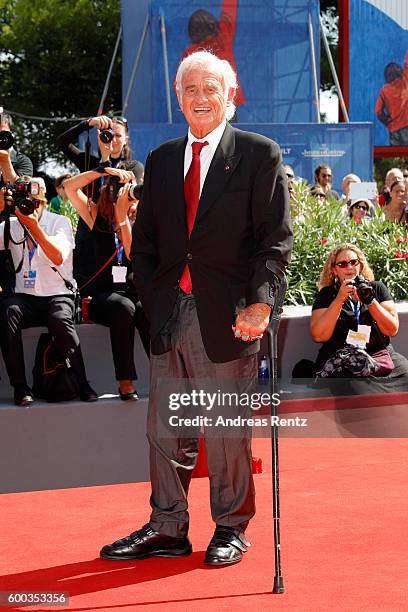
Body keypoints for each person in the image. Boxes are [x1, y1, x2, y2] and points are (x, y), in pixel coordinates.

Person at [99, 50, 292, 567]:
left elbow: (274, 244)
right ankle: (167, 527)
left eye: (211, 88)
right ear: (178, 98)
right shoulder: (161, 161)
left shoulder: (258, 154)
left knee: (226, 430)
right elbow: (146, 245)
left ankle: (230, 527)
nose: (200, 98)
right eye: (190, 89)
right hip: (169, 315)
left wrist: (260, 304)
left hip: (228, 317)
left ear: (230, 95)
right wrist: (152, 295)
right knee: (165, 428)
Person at [0, 178, 97, 405]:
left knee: (59, 318)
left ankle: (83, 382)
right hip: (26, 297)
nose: (30, 206)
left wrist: (33, 227)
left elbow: (57, 256)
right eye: (24, 201)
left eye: (34, 200)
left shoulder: (59, 221)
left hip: (57, 294)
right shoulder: (11, 225)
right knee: (7, 311)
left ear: (43, 198)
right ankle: (20, 386)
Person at [63, 163, 150, 400]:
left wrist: (124, 219)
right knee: (123, 307)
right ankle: (125, 382)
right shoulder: (95, 216)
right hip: (102, 296)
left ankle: (165, 378)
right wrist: (103, 171)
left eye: (130, 191)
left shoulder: (142, 220)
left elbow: (133, 255)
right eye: (120, 189)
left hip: (132, 293)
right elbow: (69, 188)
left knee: (143, 309)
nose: (126, 196)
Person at [56, 115, 144, 295]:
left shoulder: (133, 166)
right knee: (92, 279)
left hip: (119, 229)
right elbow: (61, 143)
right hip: (93, 227)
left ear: (126, 139)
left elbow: (117, 188)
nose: (113, 140)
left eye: (118, 136)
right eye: (109, 134)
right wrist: (87, 123)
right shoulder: (90, 163)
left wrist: (106, 162)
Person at [310, 244, 408, 390]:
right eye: (342, 264)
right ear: (334, 270)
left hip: (378, 355)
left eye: (353, 262)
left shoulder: (377, 288)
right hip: (342, 358)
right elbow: (319, 336)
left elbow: (391, 329)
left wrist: (369, 300)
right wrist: (339, 299)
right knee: (357, 387)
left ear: (360, 265)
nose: (349, 267)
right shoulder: (327, 294)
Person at [180, 1, 244, 112]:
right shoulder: (224, 36)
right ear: (213, 25)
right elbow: (229, 11)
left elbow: (179, 83)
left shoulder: (190, 53)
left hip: (204, 104)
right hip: (226, 100)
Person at [0, 112, 34, 297]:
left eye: (3, 134)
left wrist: (5, 160)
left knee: (11, 293)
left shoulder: (21, 160)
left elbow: (21, 191)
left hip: (13, 235)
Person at [375, 55, 408, 146]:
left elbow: (378, 111)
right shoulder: (405, 82)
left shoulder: (384, 90)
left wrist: (387, 121)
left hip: (393, 130)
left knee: (395, 154)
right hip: (406, 126)